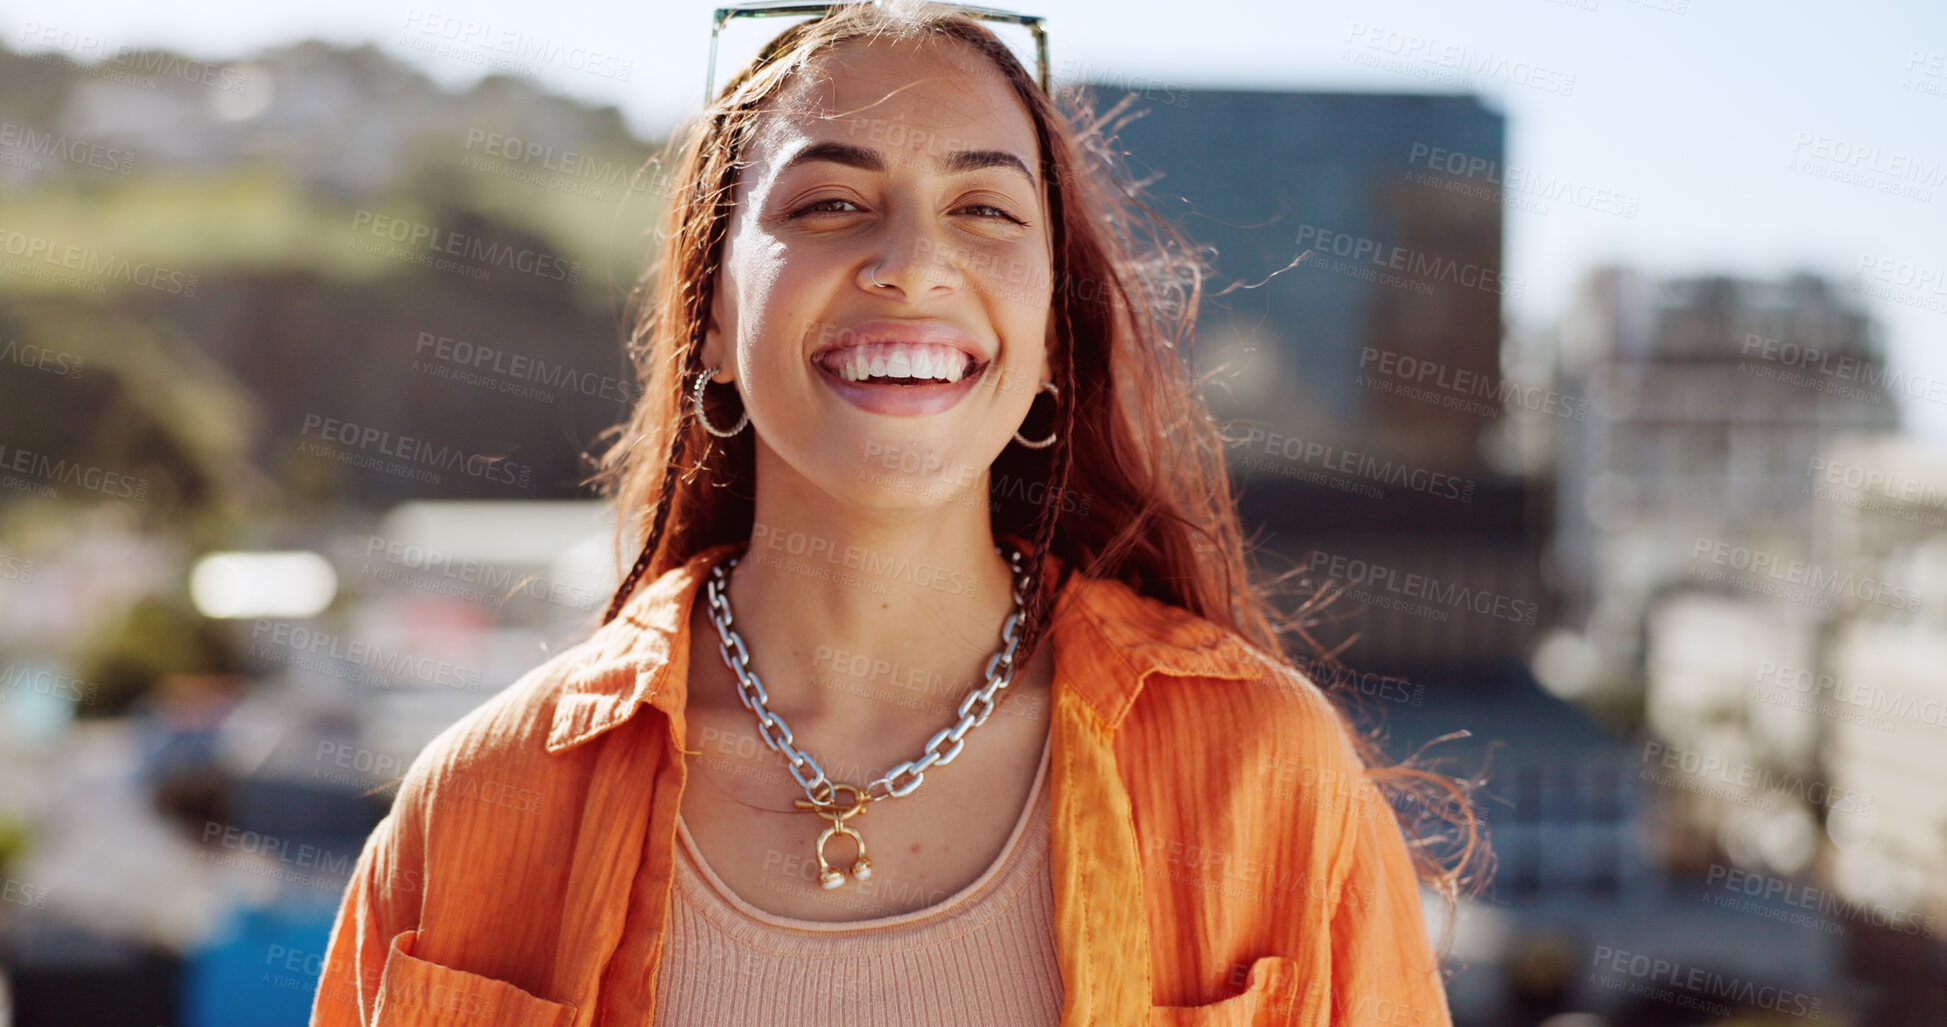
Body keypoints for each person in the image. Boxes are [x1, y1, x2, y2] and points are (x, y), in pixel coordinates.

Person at [311, 2, 1480, 1024]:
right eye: (827, 202)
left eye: (985, 209)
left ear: (1050, 346)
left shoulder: (1264, 772)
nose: (913, 261)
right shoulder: (479, 803)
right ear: (710, 318)